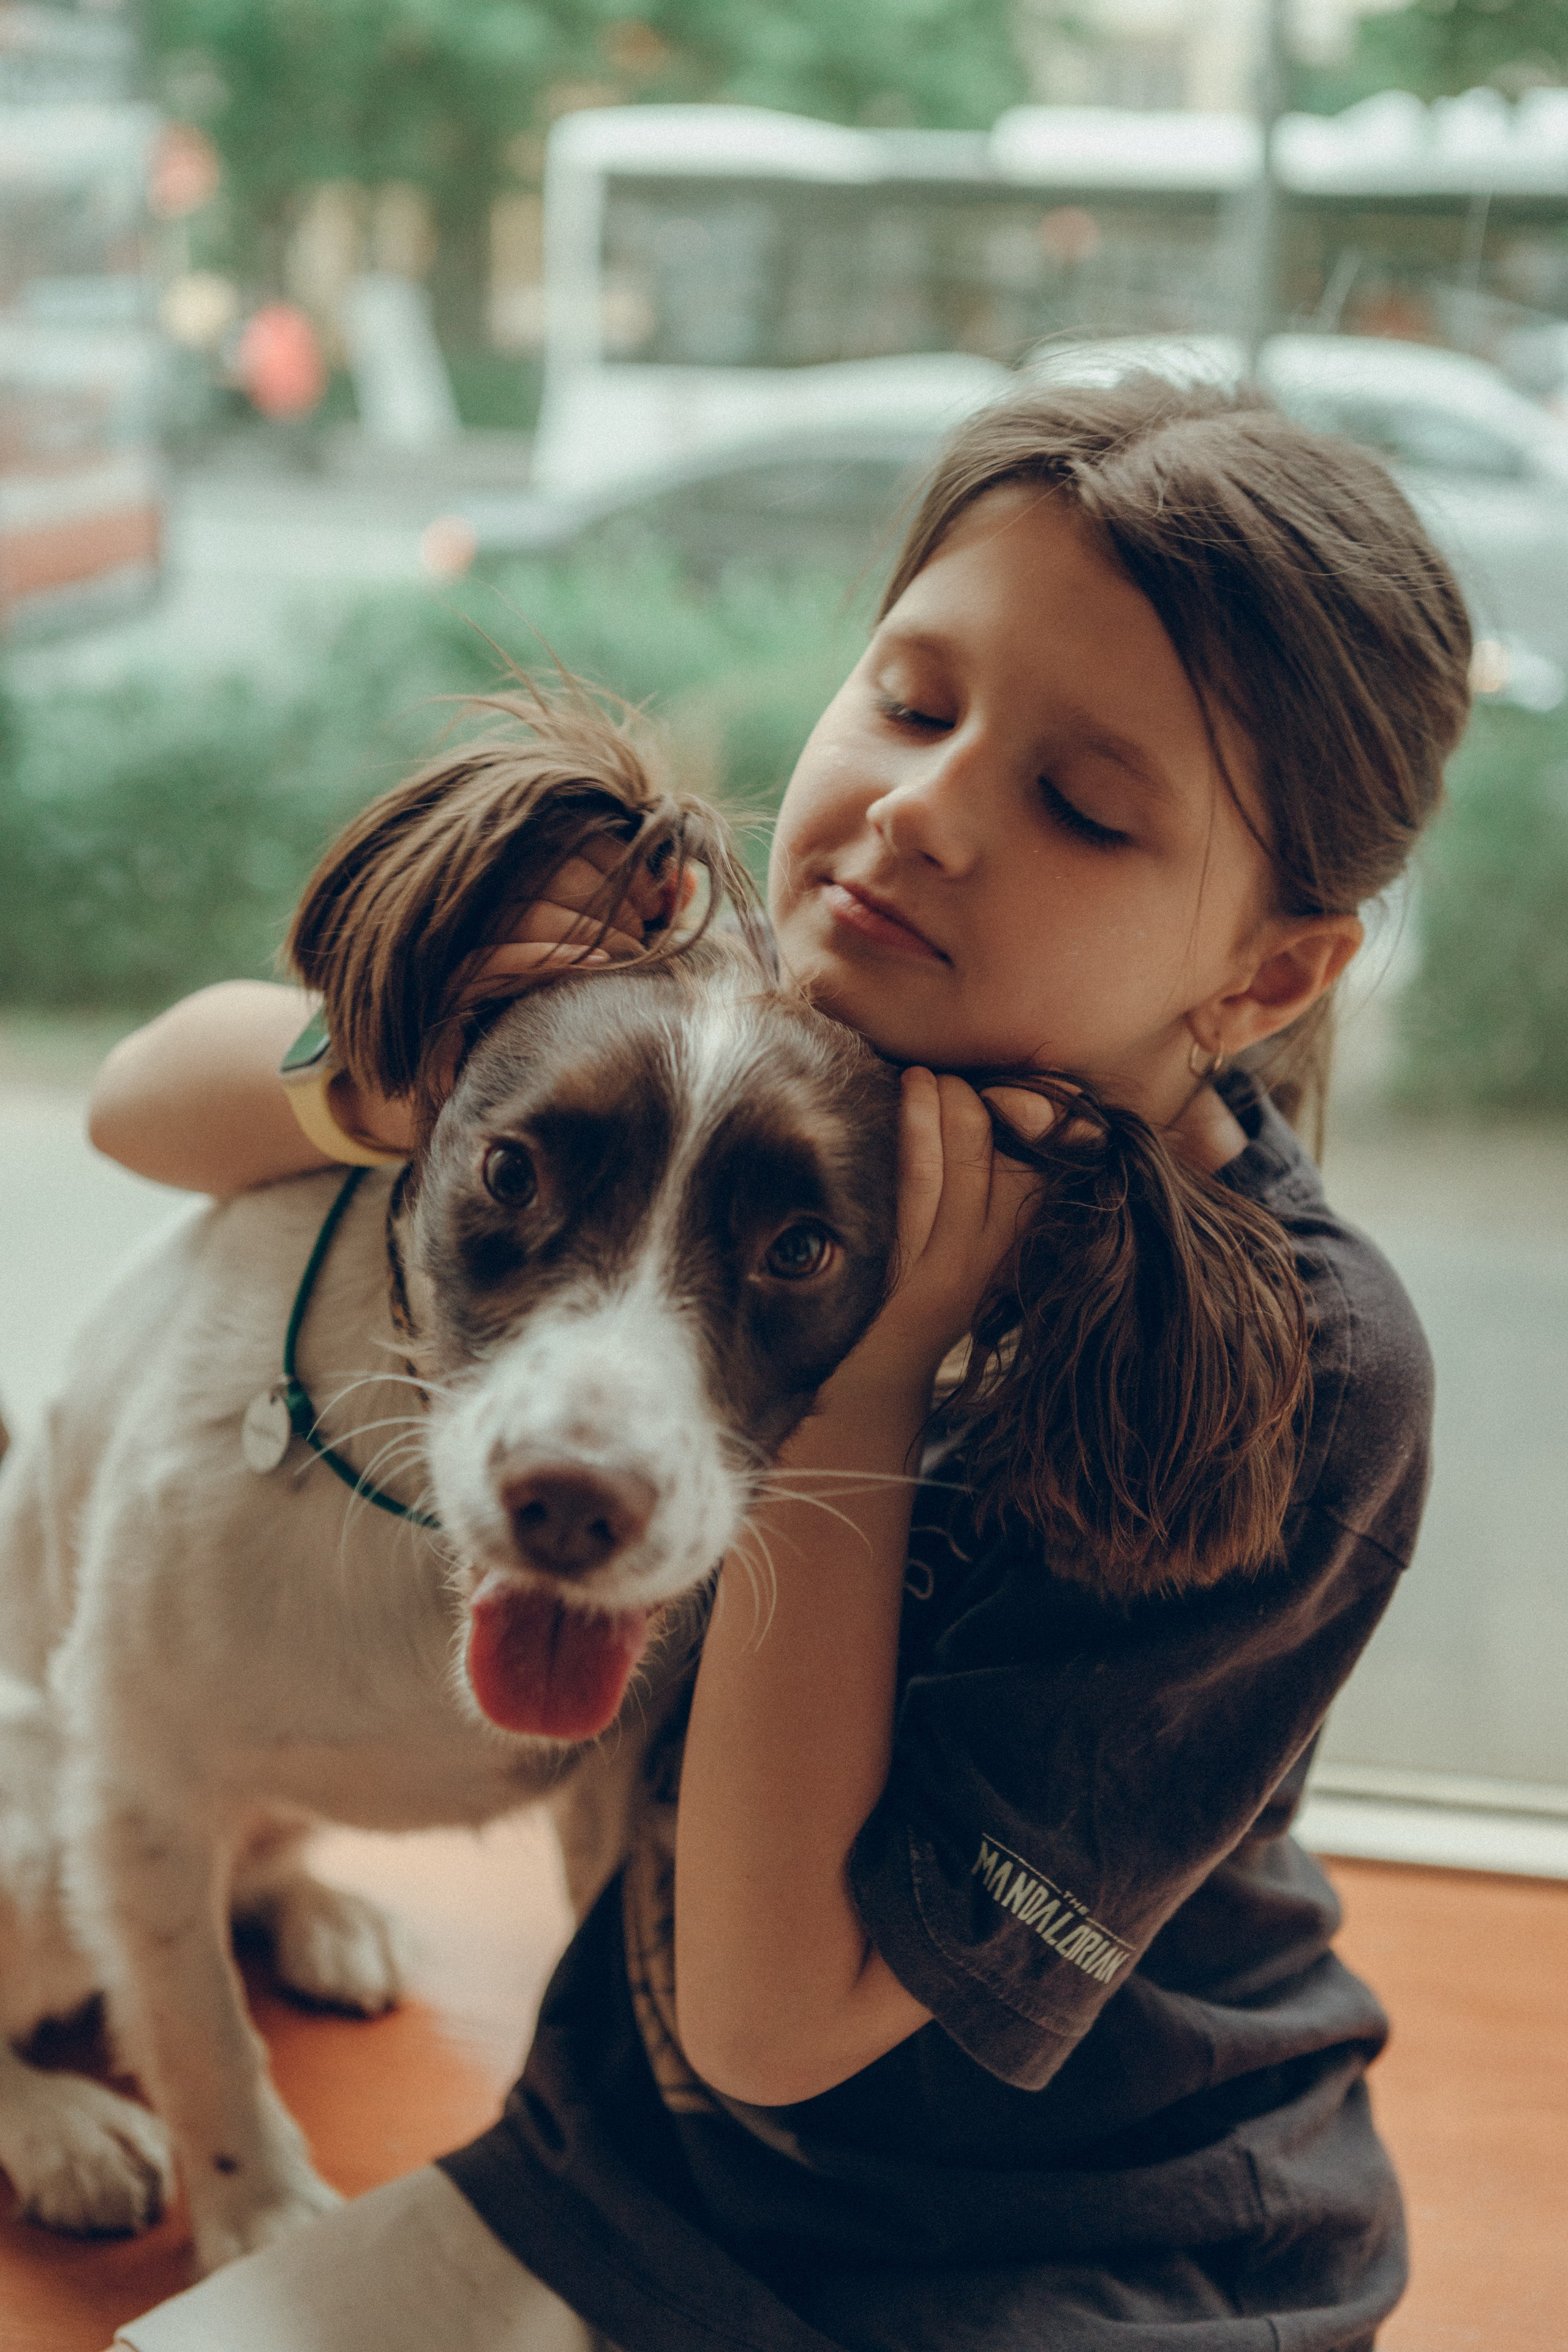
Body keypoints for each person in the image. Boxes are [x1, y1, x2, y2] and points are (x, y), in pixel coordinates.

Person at [91, 375, 1471, 2352]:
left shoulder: (1307, 1371)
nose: (922, 810)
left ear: (1268, 973)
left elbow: (772, 2019)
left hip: (1092, 2235)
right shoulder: (723, 1025)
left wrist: (889, 1358)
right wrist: (421, 1059)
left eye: (1080, 805)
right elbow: (145, 1104)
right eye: (914, 702)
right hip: (626, 2170)